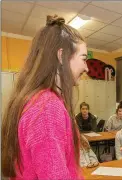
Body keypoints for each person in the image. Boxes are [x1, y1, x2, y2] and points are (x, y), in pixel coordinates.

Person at [1, 15, 88, 179]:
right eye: (83, 59)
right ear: (61, 56)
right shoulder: (47, 108)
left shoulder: (38, 100)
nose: (87, 68)